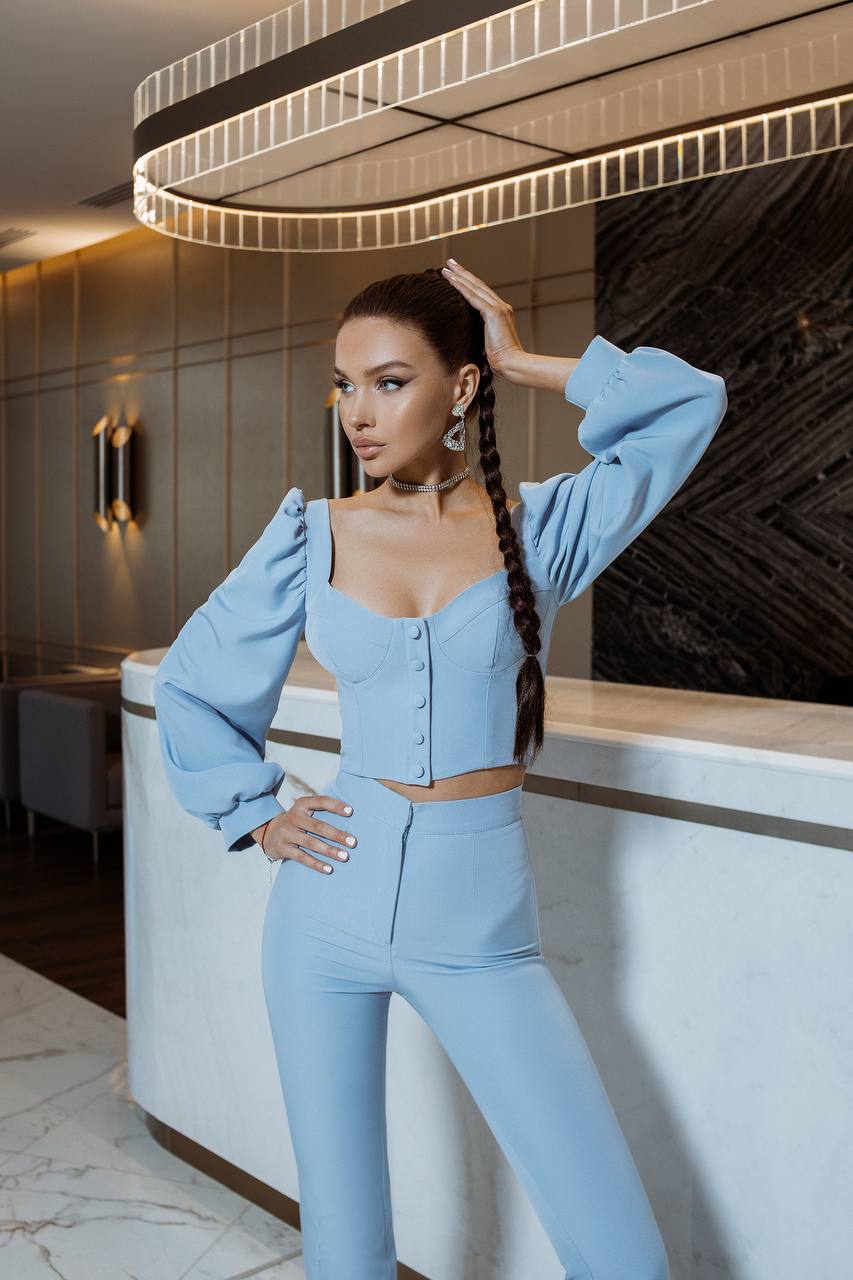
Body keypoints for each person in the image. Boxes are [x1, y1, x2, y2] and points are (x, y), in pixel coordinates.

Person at [154, 258, 728, 1280]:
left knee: (620, 1252)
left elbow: (688, 404)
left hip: (480, 931)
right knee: (346, 1244)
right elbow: (195, 680)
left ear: (460, 388)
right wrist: (256, 813)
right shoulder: (311, 534)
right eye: (343, 383)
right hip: (325, 907)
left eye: (388, 380)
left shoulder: (541, 530)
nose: (356, 412)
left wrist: (525, 356)